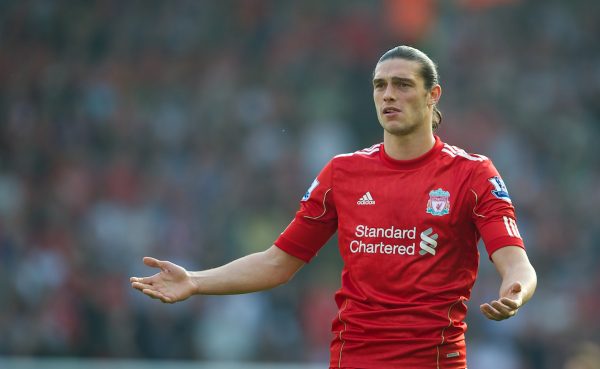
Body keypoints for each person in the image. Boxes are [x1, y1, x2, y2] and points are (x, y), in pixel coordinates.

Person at [130, 45, 537, 369]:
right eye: (379, 85)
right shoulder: (343, 173)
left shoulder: (473, 174)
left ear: (433, 96)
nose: (388, 95)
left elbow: (515, 262)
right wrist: (196, 281)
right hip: (352, 359)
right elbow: (278, 262)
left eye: (402, 84)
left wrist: (515, 293)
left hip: (434, 362)